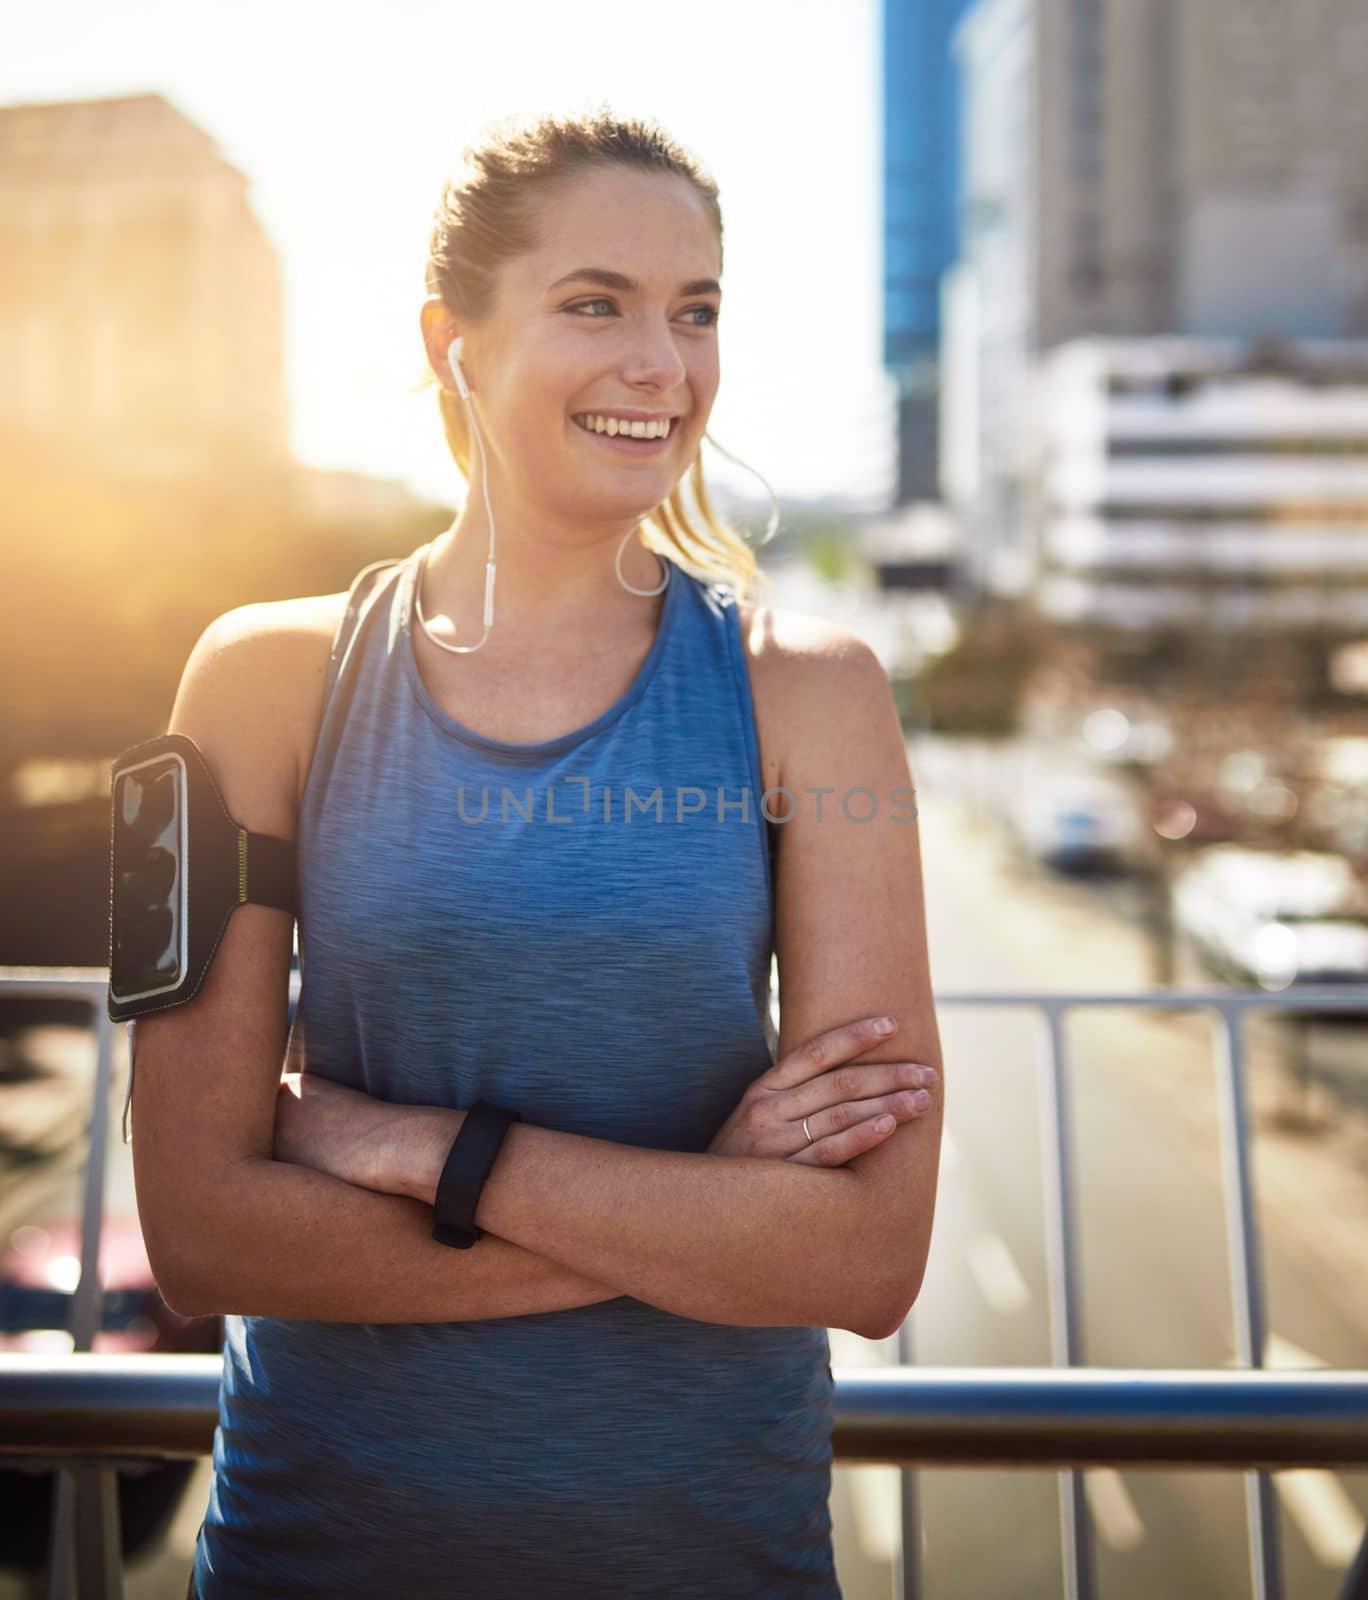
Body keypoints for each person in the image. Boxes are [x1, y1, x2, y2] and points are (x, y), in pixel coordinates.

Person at [133, 106, 945, 1599]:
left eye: (695, 313)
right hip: (322, 1561)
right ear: (455, 342)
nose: (664, 363)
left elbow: (864, 1261)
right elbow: (199, 1233)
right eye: (597, 305)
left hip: (713, 1562)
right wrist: (700, 1208)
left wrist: (412, 1151)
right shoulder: (249, 683)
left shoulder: (816, 696)